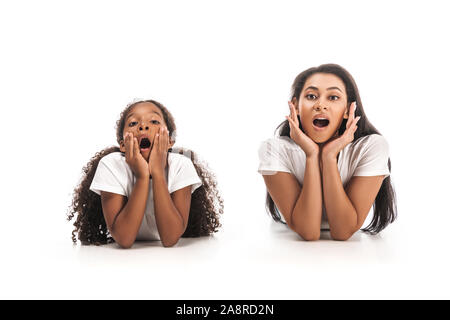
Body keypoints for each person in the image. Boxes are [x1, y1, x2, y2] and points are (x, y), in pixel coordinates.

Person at [257, 64, 397, 241]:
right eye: (311, 96)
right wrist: (311, 155)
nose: (320, 105)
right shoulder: (273, 150)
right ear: (296, 106)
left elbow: (343, 231)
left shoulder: (372, 146)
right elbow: (308, 232)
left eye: (332, 97)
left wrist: (329, 156)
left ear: (347, 110)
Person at [68, 99, 223, 248]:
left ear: (169, 141)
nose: (143, 126)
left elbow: (170, 239)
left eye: (154, 121)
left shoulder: (181, 165)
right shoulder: (111, 165)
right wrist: (142, 176)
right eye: (133, 123)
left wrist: (158, 173)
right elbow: (124, 238)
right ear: (123, 145)